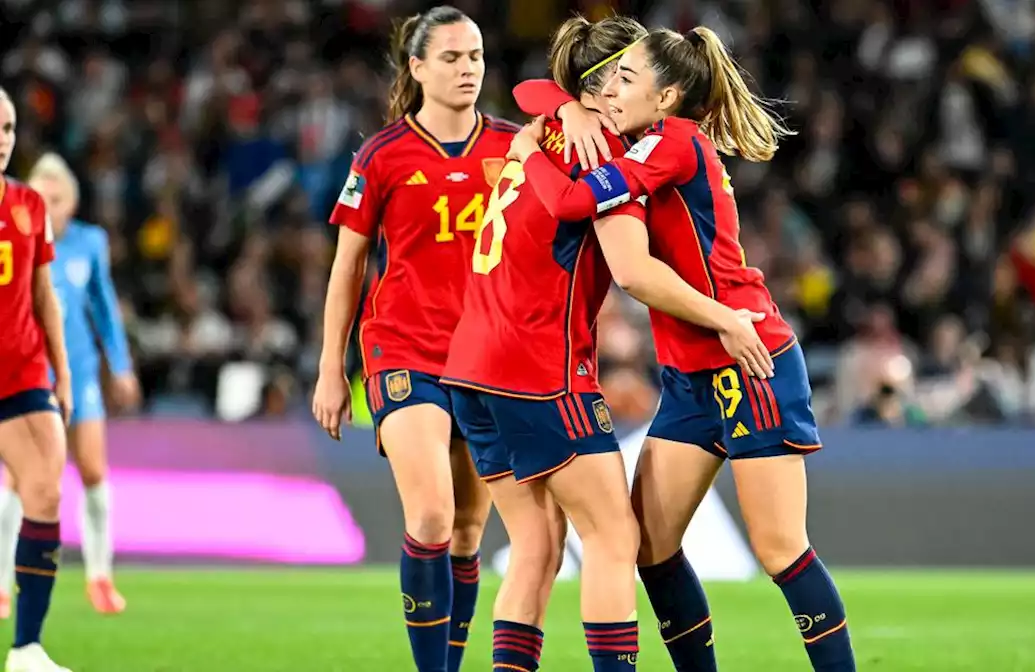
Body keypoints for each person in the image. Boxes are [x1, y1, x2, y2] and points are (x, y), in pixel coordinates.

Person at [511, 27, 856, 672]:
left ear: (666, 96)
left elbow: (570, 201)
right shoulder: (646, 141)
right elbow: (535, 89)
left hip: (749, 357)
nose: (610, 90)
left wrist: (531, 145)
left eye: (626, 80)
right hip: (692, 375)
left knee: (781, 549)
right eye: (608, 79)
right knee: (651, 547)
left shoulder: (673, 142)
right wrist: (566, 107)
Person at [442, 15, 770, 672]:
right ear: (607, 86)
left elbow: (537, 93)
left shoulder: (551, 128)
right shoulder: (602, 153)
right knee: (615, 536)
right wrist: (725, 317)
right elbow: (631, 271)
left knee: (536, 543)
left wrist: (566, 104)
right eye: (626, 74)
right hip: (539, 367)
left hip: (470, 366)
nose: (634, 88)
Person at [310, 8, 517, 672]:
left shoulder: (515, 149)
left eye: (476, 56)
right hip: (405, 352)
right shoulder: (382, 156)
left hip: (487, 362)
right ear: (418, 68)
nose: (468, 69)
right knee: (430, 516)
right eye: (452, 57)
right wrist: (329, 369)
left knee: (466, 536)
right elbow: (348, 266)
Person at [0, 153, 139, 619]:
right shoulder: (12, 239)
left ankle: (100, 576)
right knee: (20, 479)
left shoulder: (89, 243)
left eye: (56, 199)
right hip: (26, 374)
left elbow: (104, 309)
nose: (48, 206)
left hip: (79, 374)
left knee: (94, 471)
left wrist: (119, 366)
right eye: (40, 197)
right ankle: (2, 583)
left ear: (72, 203)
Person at [0, 87, 74, 672]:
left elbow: (44, 295)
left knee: (46, 493)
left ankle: (26, 648)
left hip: (22, 370)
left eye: (8, 128)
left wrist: (64, 374)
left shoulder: (28, 204)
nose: (2, 140)